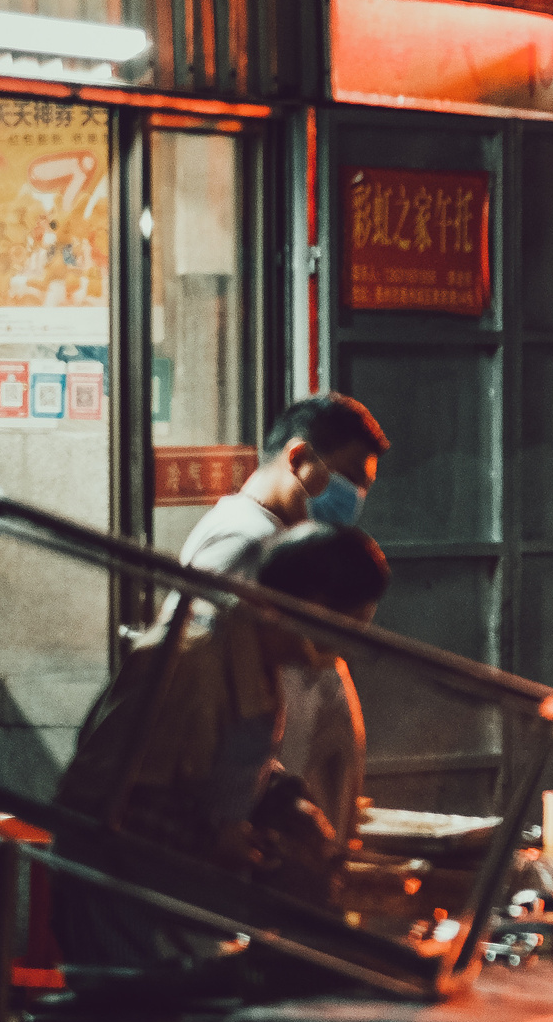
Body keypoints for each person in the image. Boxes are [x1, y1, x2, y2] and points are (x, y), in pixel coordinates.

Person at [54, 524, 393, 966]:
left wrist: (287, 806)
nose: (348, 646)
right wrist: (211, 840)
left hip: (186, 910)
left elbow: (228, 765)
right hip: (123, 909)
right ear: (311, 606)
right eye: (348, 627)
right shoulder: (185, 663)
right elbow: (97, 804)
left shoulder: (258, 665)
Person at [179, 392, 389, 583]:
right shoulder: (249, 541)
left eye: (364, 487)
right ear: (298, 458)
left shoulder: (271, 536)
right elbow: (191, 624)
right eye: (348, 478)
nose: (355, 497)